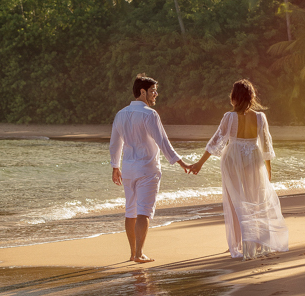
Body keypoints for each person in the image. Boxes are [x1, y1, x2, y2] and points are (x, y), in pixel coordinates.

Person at [189, 79, 289, 259]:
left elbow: (215, 142)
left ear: (234, 97)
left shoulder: (230, 117)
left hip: (232, 158)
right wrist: (268, 170)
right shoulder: (260, 117)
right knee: (255, 199)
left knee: (235, 201)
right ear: (252, 97)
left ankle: (237, 243)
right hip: (253, 157)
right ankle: (256, 243)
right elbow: (266, 146)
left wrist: (199, 163)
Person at [110, 74, 189, 263]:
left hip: (128, 169)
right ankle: (139, 254)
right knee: (143, 212)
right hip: (147, 169)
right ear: (142, 92)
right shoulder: (149, 114)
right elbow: (163, 142)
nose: (156, 94)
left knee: (131, 211)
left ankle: (132, 253)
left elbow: (115, 144)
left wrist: (115, 166)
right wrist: (182, 163)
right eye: (153, 91)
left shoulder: (121, 114)